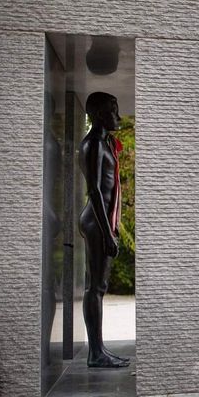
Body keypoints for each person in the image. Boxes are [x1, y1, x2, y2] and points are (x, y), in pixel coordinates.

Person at [79, 92, 129, 368]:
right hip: (96, 223)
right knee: (95, 287)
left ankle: (99, 349)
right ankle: (96, 353)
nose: (118, 117)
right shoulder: (94, 144)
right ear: (99, 115)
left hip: (101, 222)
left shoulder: (104, 143)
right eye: (113, 111)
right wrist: (107, 233)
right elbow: (95, 191)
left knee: (99, 286)